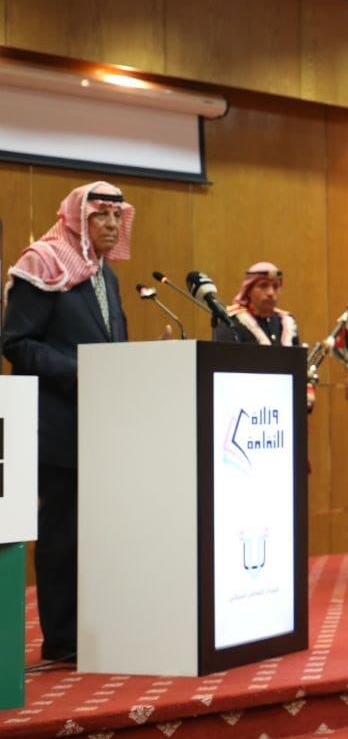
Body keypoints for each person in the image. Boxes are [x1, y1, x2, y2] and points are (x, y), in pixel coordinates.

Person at [2, 181, 133, 665]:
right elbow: (16, 343)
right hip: (54, 424)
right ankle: (61, 637)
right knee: (61, 533)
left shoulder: (105, 274)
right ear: (78, 218)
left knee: (94, 531)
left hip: (100, 426)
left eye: (118, 216)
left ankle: (91, 627)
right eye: (102, 216)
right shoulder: (42, 263)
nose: (112, 225)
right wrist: (78, 372)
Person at [213, 262, 314, 409]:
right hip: (247, 406)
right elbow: (225, 372)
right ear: (248, 289)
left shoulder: (287, 322)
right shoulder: (232, 322)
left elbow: (298, 367)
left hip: (284, 406)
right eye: (263, 286)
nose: (271, 292)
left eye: (276, 286)